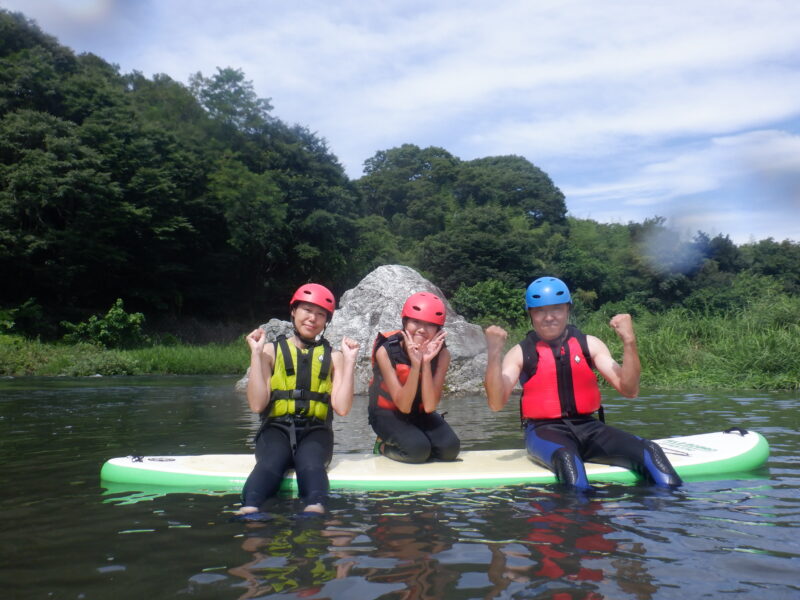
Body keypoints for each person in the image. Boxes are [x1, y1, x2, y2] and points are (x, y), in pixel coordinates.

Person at [483, 276, 682, 492]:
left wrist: (629, 341)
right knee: (569, 462)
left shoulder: (590, 344)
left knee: (651, 451)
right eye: (540, 311)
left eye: (556, 309)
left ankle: (672, 509)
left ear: (568, 310)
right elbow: (496, 403)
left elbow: (629, 389)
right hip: (544, 431)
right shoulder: (521, 353)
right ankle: (580, 521)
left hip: (589, 427)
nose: (549, 317)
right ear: (530, 314)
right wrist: (494, 353)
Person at [236, 283, 359, 519]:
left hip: (316, 431)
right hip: (276, 429)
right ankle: (250, 508)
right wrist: (255, 354)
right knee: (270, 462)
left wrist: (351, 361)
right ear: (293, 311)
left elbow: (342, 408)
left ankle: (314, 508)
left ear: (326, 320)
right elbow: (257, 405)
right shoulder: (270, 351)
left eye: (320, 314)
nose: (312, 318)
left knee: (311, 464)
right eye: (307, 310)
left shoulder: (336, 357)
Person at [368, 291, 460, 464]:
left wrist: (425, 363)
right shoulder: (386, 351)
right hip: (387, 413)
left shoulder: (443, 355)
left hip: (419, 412)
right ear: (405, 322)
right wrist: (416, 364)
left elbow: (430, 406)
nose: (422, 330)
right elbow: (402, 406)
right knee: (417, 451)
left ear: (438, 329)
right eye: (416, 321)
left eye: (430, 325)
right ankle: (381, 446)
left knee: (449, 450)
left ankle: (416, 437)